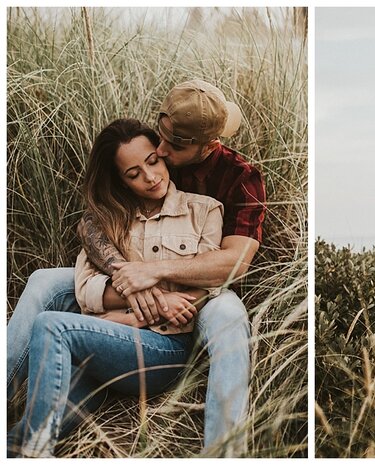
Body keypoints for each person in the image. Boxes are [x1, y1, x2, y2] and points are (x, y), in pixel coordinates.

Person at [6, 80, 265, 457]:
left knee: (228, 315)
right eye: (158, 138)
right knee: (45, 282)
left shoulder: (230, 185)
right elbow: (92, 249)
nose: (157, 155)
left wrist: (152, 278)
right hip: (128, 305)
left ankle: (224, 452)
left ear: (207, 146)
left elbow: (231, 264)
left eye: (167, 152)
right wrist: (132, 289)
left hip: (192, 305)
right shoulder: (134, 177)